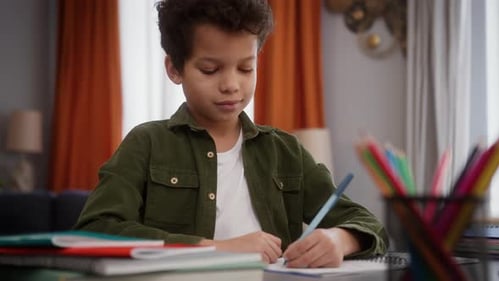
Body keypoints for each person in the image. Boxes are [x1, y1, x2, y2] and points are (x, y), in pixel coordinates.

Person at [75, 0, 388, 268]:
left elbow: (371, 227)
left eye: (245, 69)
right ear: (174, 69)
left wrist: (340, 239)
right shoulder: (147, 143)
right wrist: (213, 248)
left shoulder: (285, 152)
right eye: (211, 70)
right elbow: (96, 230)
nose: (231, 85)